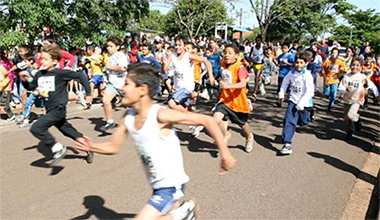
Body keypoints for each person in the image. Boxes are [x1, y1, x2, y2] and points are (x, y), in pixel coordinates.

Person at [75, 63, 235, 220]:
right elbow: (113, 146)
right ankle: (183, 214)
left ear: (142, 89)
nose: (122, 88)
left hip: (171, 186)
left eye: (127, 84)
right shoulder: (128, 117)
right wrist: (92, 146)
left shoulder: (160, 115)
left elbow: (208, 121)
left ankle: (185, 212)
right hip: (157, 185)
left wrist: (225, 154)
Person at [20, 45, 93, 166]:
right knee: (67, 130)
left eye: (45, 59)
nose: (42, 62)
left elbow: (80, 76)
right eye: (41, 59)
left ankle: (57, 148)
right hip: (50, 109)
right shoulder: (40, 74)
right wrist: (24, 80)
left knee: (36, 128)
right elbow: (31, 87)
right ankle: (87, 145)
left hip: (58, 108)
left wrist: (88, 94)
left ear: (54, 61)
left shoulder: (60, 73)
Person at [213, 44, 254, 153]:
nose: (226, 55)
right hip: (225, 99)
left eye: (230, 53)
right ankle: (225, 135)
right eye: (225, 52)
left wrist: (228, 86)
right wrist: (219, 81)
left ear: (236, 56)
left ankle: (249, 136)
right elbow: (221, 76)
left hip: (238, 102)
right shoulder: (222, 63)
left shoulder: (239, 67)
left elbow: (243, 84)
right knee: (216, 119)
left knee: (242, 124)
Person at [278, 51, 314, 155]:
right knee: (290, 121)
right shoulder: (291, 73)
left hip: (305, 104)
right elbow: (285, 83)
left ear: (306, 63)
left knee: (303, 122)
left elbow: (309, 92)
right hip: (293, 101)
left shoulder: (307, 75)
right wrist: (281, 93)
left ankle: (310, 114)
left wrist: (302, 103)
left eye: (301, 63)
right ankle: (287, 143)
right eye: (297, 62)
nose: (298, 65)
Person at [101, 36, 129, 132]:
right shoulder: (109, 56)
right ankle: (110, 121)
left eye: (111, 46)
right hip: (113, 84)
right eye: (107, 46)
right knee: (105, 100)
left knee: (135, 105)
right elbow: (108, 69)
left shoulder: (120, 55)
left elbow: (123, 68)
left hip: (123, 85)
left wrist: (110, 67)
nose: (108, 48)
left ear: (117, 47)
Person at [338, 57, 370, 139]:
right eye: (353, 65)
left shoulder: (362, 77)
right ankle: (349, 131)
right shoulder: (346, 77)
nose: (355, 67)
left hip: (357, 99)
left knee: (351, 115)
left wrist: (376, 94)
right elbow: (340, 88)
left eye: (357, 65)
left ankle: (357, 120)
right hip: (347, 99)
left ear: (361, 67)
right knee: (346, 118)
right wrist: (346, 89)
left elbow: (370, 86)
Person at [276, 43, 295, 107]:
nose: (284, 49)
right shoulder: (280, 56)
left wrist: (287, 63)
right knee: (280, 87)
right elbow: (278, 63)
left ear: (288, 49)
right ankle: (279, 100)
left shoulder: (290, 56)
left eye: (285, 48)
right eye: (283, 48)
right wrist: (277, 65)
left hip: (288, 74)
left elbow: (293, 64)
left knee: (289, 88)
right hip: (281, 74)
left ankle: (290, 100)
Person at [249, 35, 264, 100]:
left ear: (261, 41)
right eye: (256, 41)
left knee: (256, 77)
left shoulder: (263, 48)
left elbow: (267, 54)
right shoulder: (253, 48)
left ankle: (254, 93)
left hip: (261, 64)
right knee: (257, 79)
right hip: (255, 64)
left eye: (259, 41)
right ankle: (259, 85)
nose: (258, 42)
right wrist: (252, 59)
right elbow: (249, 56)